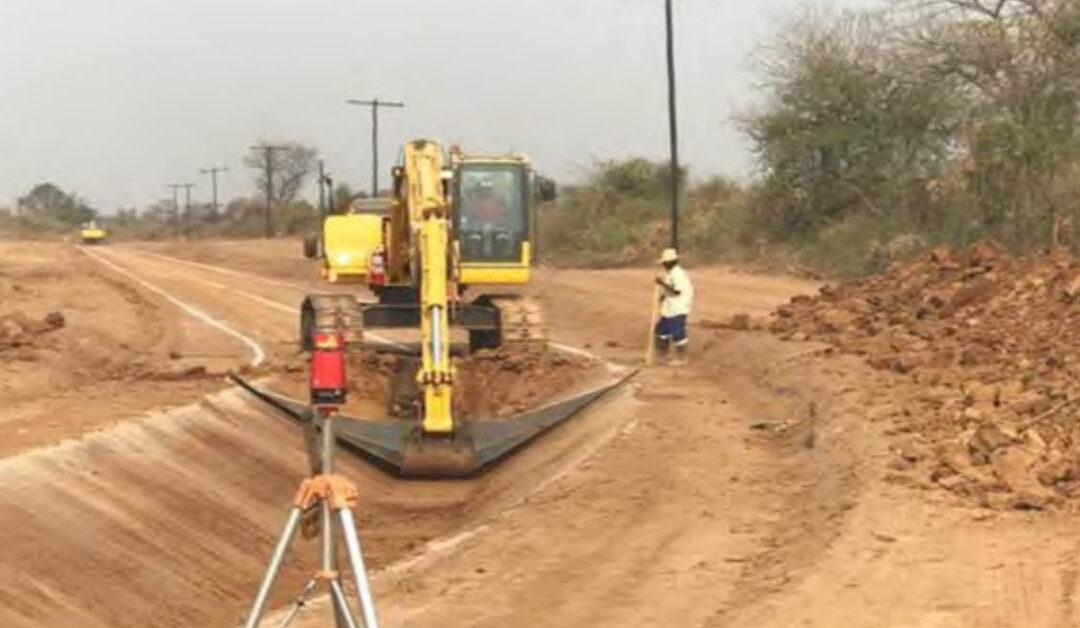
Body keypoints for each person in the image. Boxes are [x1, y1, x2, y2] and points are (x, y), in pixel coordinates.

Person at [654, 248, 694, 365]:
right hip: (669, 308)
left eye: (664, 263)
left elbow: (677, 291)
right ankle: (662, 355)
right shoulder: (671, 274)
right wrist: (663, 296)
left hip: (678, 308)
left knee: (678, 332)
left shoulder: (678, 274)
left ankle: (682, 358)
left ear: (669, 262)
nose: (663, 265)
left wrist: (662, 284)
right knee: (661, 330)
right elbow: (670, 290)